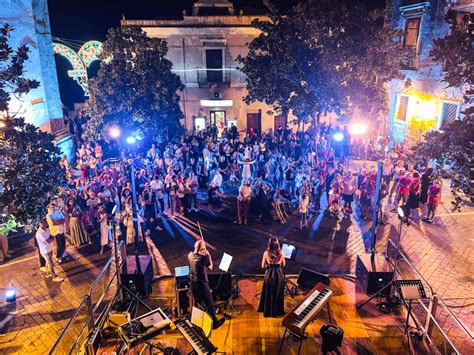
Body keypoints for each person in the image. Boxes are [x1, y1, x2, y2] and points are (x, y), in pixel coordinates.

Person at [188, 240, 225, 329]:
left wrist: (201, 252)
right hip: (202, 284)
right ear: (203, 248)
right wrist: (208, 255)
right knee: (209, 303)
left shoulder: (189, 255)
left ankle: (196, 322)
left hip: (193, 284)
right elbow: (210, 267)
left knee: (197, 302)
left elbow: (196, 255)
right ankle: (215, 323)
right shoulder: (203, 258)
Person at [258, 237, 285, 317]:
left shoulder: (266, 253)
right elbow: (283, 265)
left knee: (268, 291)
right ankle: (277, 311)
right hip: (278, 275)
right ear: (278, 244)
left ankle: (267, 311)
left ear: (269, 245)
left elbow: (263, 266)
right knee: (278, 292)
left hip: (269, 274)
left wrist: (269, 266)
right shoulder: (282, 253)